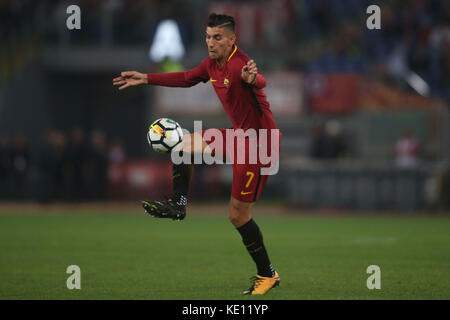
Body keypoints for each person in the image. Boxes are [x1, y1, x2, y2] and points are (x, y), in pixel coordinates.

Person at [113, 13, 281, 295]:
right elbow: (187, 78)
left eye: (217, 38)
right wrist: (146, 78)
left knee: (238, 217)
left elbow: (258, 80)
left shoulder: (240, 64)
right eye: (207, 36)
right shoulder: (211, 65)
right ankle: (179, 204)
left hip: (259, 145)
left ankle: (268, 275)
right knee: (182, 146)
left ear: (231, 40)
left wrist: (255, 78)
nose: (210, 42)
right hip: (238, 136)